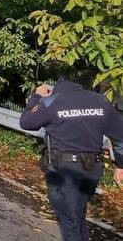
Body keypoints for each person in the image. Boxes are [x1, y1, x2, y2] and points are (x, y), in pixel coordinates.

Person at [20, 79, 123, 241]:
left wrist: (36, 97)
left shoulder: (51, 101)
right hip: (92, 171)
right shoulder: (100, 100)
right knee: (76, 214)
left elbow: (26, 122)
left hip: (64, 172)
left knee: (69, 220)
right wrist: (120, 164)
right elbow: (120, 135)